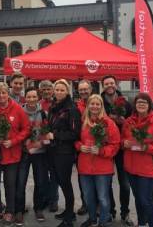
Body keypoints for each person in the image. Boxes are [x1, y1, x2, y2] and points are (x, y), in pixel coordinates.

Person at [122, 93, 153, 227]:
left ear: (149, 105)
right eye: (138, 102)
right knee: (138, 199)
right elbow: (122, 140)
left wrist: (146, 147)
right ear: (135, 105)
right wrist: (124, 143)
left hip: (147, 168)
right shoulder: (128, 122)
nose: (141, 104)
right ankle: (142, 223)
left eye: (144, 102)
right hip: (131, 167)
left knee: (145, 200)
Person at [0, 82, 31, 226]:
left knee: (10, 184)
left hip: (12, 153)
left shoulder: (17, 109)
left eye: (3, 93)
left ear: (8, 93)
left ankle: (10, 211)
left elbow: (26, 129)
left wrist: (14, 141)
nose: (0, 96)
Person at [76, 94, 120, 227]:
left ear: (101, 106)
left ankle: (103, 220)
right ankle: (92, 218)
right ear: (88, 105)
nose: (94, 106)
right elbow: (75, 140)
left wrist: (101, 151)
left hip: (103, 167)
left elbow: (115, 144)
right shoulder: (82, 121)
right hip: (85, 166)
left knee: (102, 197)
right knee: (88, 196)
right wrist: (79, 146)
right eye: (92, 104)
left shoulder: (109, 123)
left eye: (97, 104)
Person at [47, 79, 82, 227]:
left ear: (67, 92)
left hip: (65, 152)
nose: (59, 92)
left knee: (66, 183)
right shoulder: (53, 107)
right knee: (60, 182)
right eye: (57, 89)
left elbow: (75, 133)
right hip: (54, 150)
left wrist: (55, 135)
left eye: (62, 90)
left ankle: (69, 217)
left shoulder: (72, 109)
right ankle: (69, 211)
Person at [100, 75, 133, 226]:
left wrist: (124, 121)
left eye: (112, 83)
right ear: (103, 86)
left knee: (124, 183)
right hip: (106, 145)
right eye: (107, 84)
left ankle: (125, 212)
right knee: (106, 183)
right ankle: (110, 211)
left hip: (122, 148)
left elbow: (133, 123)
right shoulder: (98, 102)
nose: (110, 86)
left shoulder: (125, 103)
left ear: (116, 84)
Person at [15, 87, 49, 225]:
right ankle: (19, 210)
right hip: (23, 151)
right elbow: (15, 130)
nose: (31, 99)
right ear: (25, 97)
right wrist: (24, 142)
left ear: (38, 97)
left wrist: (41, 143)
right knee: (20, 182)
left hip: (39, 152)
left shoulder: (44, 113)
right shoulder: (19, 111)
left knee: (40, 181)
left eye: (34, 97)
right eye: (29, 97)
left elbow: (48, 131)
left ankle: (38, 207)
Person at [39, 80, 59, 213]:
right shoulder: (38, 104)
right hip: (40, 144)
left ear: (52, 91)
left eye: (48, 89)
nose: (46, 92)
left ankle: (54, 200)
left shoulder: (57, 104)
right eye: (44, 89)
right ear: (40, 91)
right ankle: (45, 198)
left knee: (54, 174)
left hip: (54, 144)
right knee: (42, 175)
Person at [75, 80, 94, 216]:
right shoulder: (77, 106)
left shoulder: (97, 103)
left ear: (91, 89)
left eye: (85, 89)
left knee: (100, 178)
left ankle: (99, 205)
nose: (83, 92)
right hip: (82, 147)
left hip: (97, 146)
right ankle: (85, 203)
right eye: (81, 89)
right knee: (83, 178)